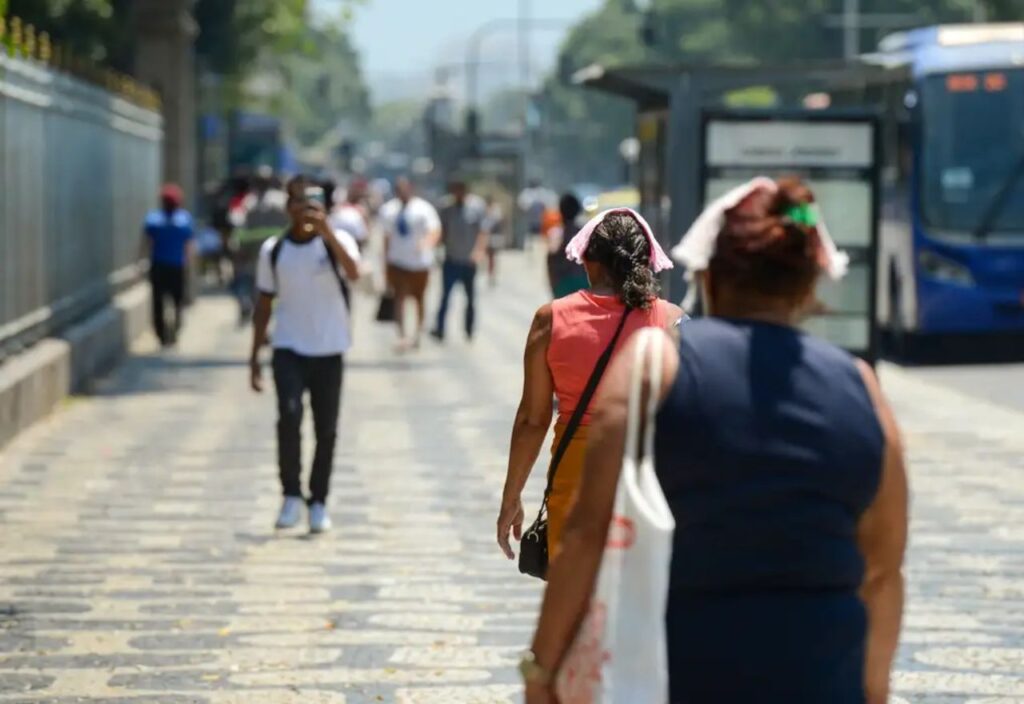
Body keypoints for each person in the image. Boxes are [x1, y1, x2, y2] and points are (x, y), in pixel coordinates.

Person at [522, 178, 908, 704]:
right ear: (809, 284)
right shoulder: (863, 387)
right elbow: (883, 571)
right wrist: (873, 691)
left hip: (684, 669)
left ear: (709, 273)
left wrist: (542, 671)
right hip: (820, 674)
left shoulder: (654, 368)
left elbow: (588, 535)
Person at [497, 208, 681, 563]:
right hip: (647, 476)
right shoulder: (673, 322)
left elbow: (532, 421)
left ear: (590, 262)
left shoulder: (550, 320)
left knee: (576, 595)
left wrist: (512, 497)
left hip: (576, 476)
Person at [249, 176, 361, 534]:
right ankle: (291, 495)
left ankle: (318, 501)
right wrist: (254, 356)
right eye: (298, 202)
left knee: (325, 429)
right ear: (288, 207)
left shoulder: (337, 241)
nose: (305, 210)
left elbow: (355, 273)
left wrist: (327, 231)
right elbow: (263, 303)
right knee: (289, 417)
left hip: (329, 349)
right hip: (288, 348)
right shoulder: (274, 250)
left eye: (312, 202)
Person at [379, 177, 441, 351]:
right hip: (398, 262)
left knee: (418, 299)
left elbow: (435, 230)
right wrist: (385, 264)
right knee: (399, 298)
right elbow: (385, 238)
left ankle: (418, 333)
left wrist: (426, 244)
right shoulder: (388, 210)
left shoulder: (423, 209)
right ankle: (402, 334)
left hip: (419, 264)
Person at [431, 178, 488, 342]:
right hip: (451, 259)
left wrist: (478, 252)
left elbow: (482, 232)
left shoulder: (476, 207)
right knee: (445, 296)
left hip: (468, 261)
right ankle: (440, 328)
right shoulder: (446, 208)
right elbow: (441, 231)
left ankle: (469, 328)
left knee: (470, 298)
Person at [142, 184, 194, 347]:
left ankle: (162, 334)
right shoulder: (184, 219)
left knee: (158, 301)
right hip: (176, 266)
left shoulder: (153, 220)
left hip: (159, 265)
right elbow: (189, 245)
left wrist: (141, 261)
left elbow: (146, 243)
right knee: (177, 300)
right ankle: (175, 329)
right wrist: (189, 264)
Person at [546, 193, 590, 299]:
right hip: (583, 285)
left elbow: (551, 257)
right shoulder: (585, 232)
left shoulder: (556, 234)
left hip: (561, 285)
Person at [327, 177, 370, 251]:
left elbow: (365, 234)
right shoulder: (339, 204)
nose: (356, 191)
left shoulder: (362, 209)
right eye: (354, 188)